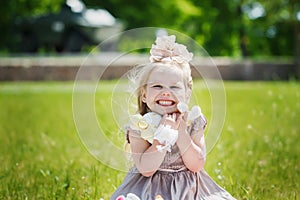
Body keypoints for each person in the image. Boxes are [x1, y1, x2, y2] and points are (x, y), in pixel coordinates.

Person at [111, 35, 235, 200]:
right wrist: (163, 137)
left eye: (175, 87)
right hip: (149, 188)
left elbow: (196, 164)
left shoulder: (192, 122)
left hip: (188, 188)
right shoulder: (139, 126)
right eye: (157, 86)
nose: (166, 92)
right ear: (144, 95)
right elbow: (146, 169)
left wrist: (181, 132)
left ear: (187, 94)